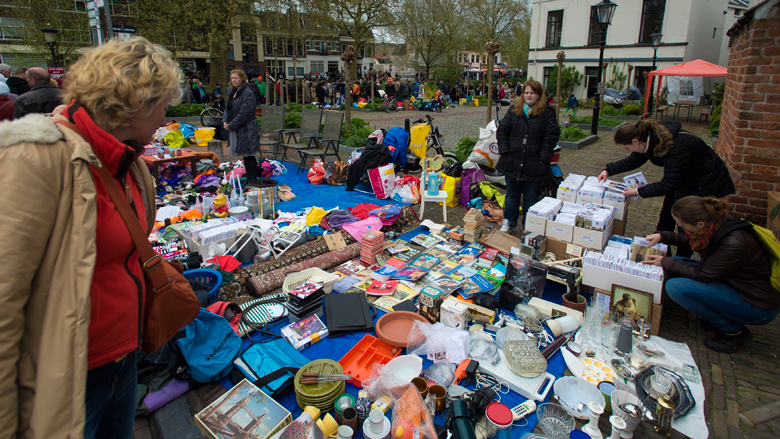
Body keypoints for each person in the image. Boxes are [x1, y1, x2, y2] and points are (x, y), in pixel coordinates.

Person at [0, 37, 181, 439]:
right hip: (66, 375)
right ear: (137, 104)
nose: (166, 120)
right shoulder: (36, 158)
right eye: (164, 107)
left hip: (122, 357)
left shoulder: (128, 161)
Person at [643, 196, 780, 353]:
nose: (681, 228)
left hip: (756, 304)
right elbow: (692, 239)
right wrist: (663, 236)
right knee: (675, 264)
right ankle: (718, 315)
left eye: (682, 225)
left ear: (700, 224)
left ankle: (733, 331)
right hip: (733, 282)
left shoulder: (734, 242)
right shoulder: (715, 224)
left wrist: (665, 262)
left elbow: (702, 275)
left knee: (676, 287)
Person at [597, 120, 735, 257]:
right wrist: (608, 170)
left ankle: (681, 259)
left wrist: (638, 191)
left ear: (635, 141)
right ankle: (660, 251)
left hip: (702, 184)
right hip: (683, 179)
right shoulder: (649, 138)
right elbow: (634, 160)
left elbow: (669, 184)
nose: (628, 151)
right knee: (666, 217)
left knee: (686, 224)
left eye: (627, 148)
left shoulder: (676, 146)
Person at [495, 79, 560, 232]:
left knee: (531, 197)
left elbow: (551, 137)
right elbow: (503, 130)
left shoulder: (547, 113)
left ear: (539, 95)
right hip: (513, 160)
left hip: (534, 162)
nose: (529, 95)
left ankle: (528, 225)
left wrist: (543, 158)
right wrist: (504, 150)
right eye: (526, 92)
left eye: (533, 93)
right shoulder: (514, 110)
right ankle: (509, 221)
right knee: (511, 195)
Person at [223, 69, 261, 184]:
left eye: (236, 78)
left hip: (247, 129)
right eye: (232, 78)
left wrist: (231, 125)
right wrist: (225, 121)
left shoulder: (247, 93)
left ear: (242, 79)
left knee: (249, 154)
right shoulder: (232, 91)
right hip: (238, 128)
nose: (234, 80)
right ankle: (249, 177)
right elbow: (227, 108)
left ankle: (253, 177)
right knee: (245, 154)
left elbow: (244, 113)